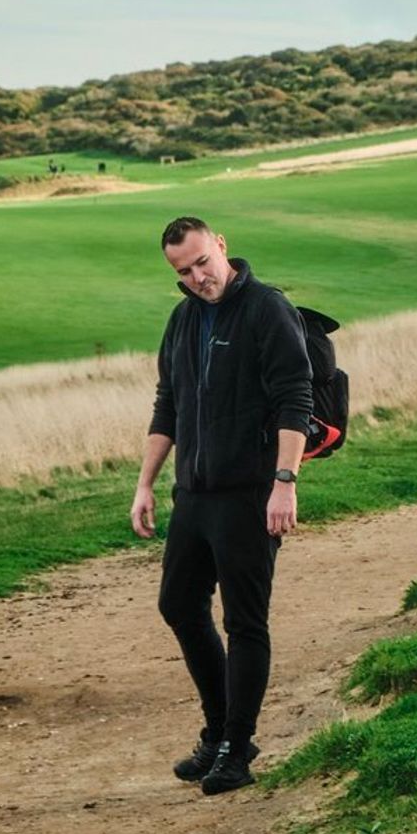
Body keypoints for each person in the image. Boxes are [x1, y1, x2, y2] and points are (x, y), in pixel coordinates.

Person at [131, 217, 313, 796]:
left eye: (202, 262)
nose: (197, 277)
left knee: (244, 621)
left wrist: (284, 481)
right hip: (195, 494)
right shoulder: (183, 318)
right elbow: (169, 406)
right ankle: (218, 732)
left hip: (249, 494)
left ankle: (238, 745)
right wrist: (146, 484)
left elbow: (295, 399)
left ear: (222, 247)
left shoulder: (266, 309)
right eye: (183, 271)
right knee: (179, 605)